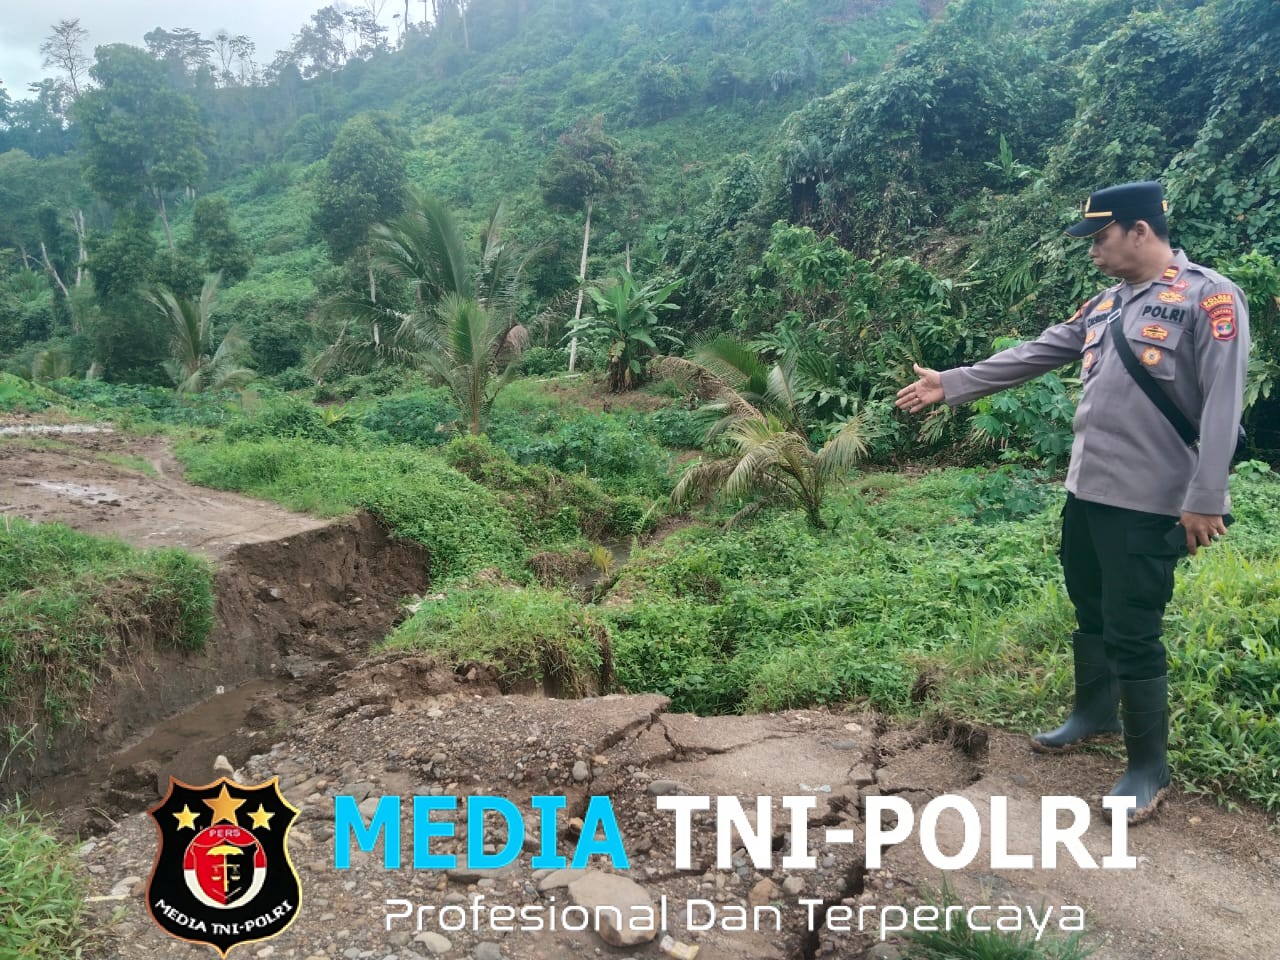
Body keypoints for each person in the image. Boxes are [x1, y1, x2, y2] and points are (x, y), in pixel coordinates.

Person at [895, 181, 1250, 824]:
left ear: (1140, 231)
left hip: (1150, 500)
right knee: (1089, 602)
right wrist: (953, 383)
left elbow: (1225, 401)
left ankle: (1148, 768)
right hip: (1087, 490)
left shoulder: (1209, 297)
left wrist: (1208, 496)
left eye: (1100, 236)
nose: (1093, 250)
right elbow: (1039, 352)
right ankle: (1093, 713)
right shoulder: (1108, 304)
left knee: (1133, 624)